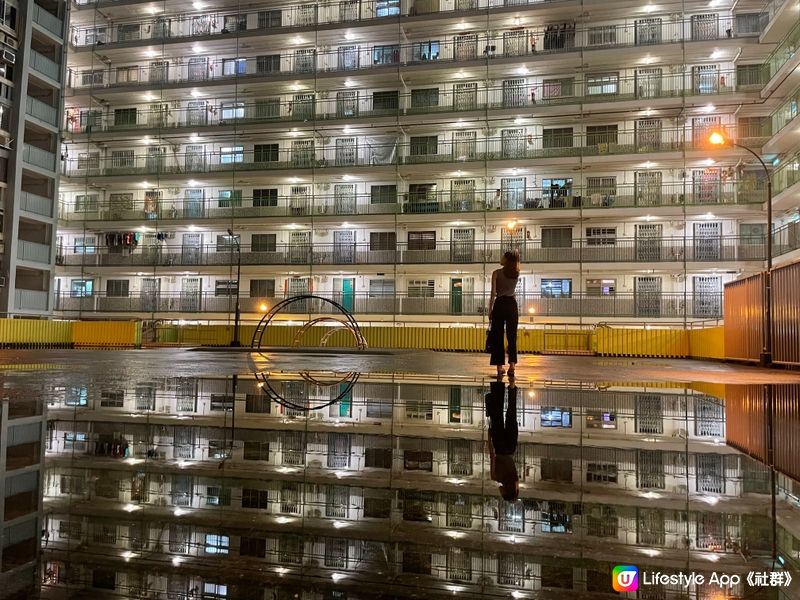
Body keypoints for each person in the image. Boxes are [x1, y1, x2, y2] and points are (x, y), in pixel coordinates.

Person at [488, 250, 520, 376]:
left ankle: (499, 367)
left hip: (499, 304)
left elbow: (493, 293)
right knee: (512, 336)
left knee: (498, 336)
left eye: (503, 256)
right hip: (512, 304)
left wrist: (490, 310)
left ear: (506, 259)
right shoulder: (516, 273)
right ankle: (512, 366)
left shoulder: (496, 273)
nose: (500, 258)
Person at [486, 379, 519, 501]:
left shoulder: (515, 479)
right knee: (497, 413)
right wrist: (489, 438)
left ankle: (512, 387)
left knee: (511, 414)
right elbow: (492, 455)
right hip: (499, 446)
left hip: (510, 447)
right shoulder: (495, 477)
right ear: (504, 492)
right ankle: (498, 384)